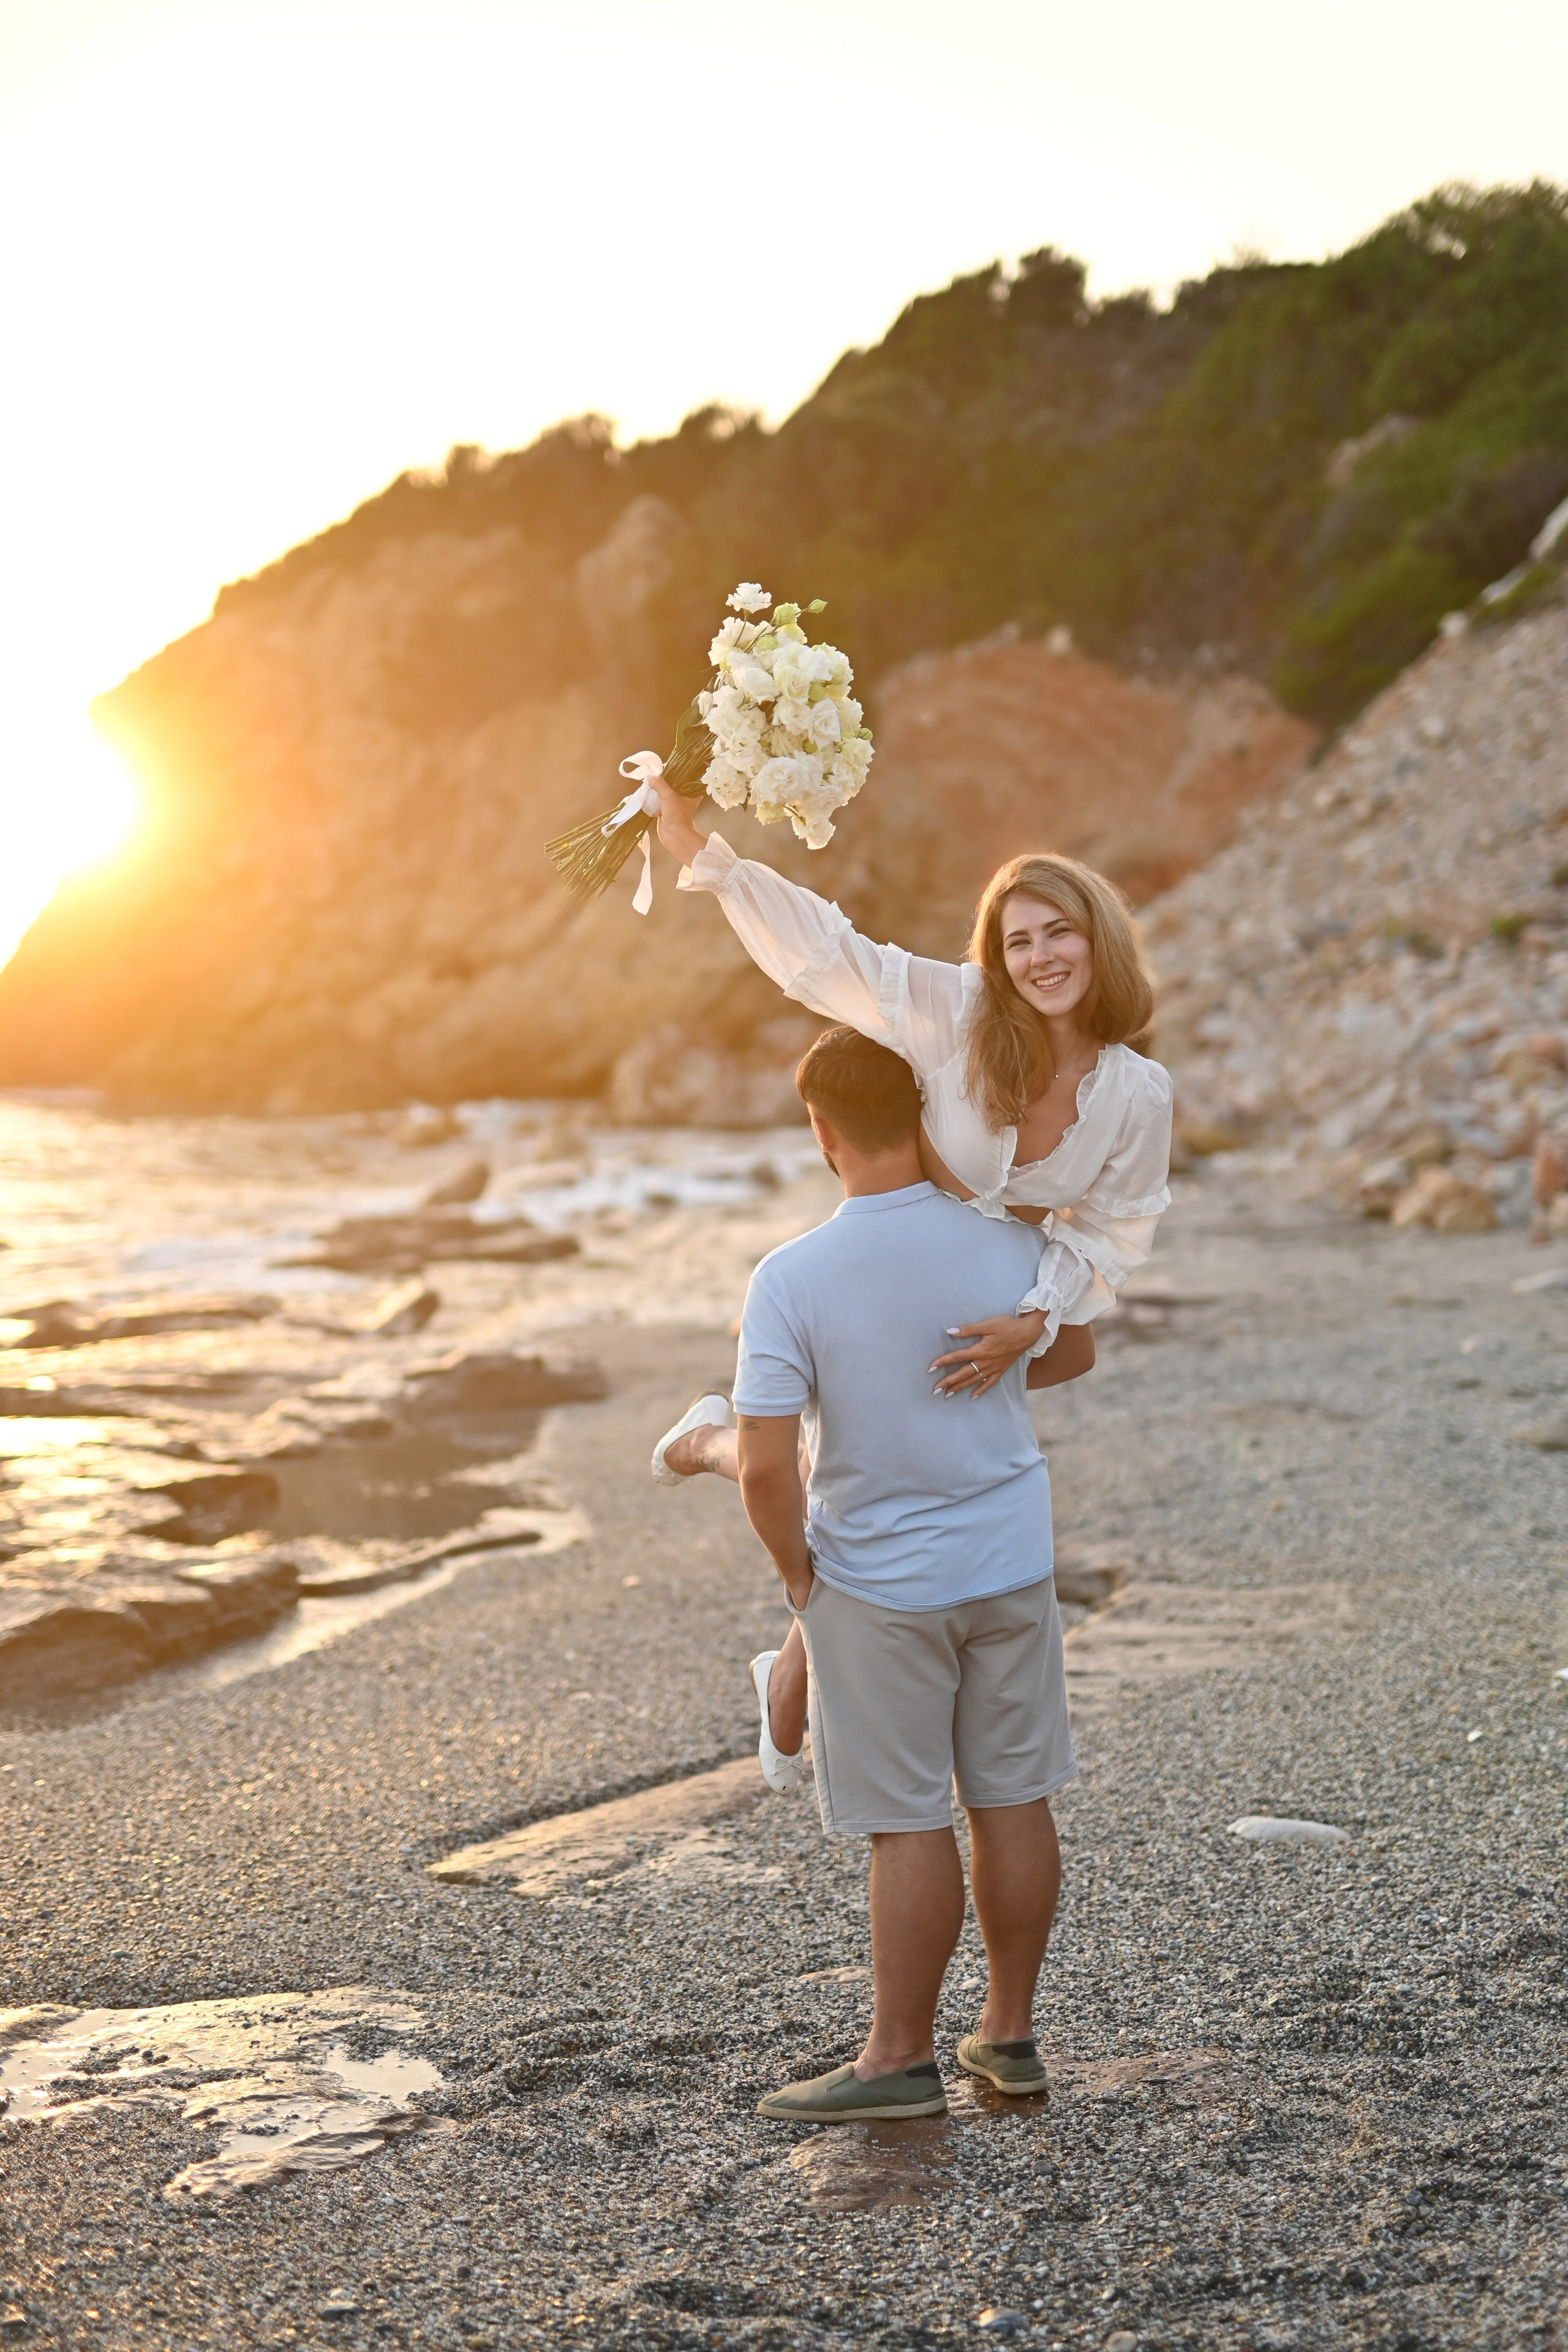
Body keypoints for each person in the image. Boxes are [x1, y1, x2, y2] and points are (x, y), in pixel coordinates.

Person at [648, 782, 1171, 1790]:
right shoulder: (959, 1011)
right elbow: (827, 957)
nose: (1040, 959)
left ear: (1099, 940)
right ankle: (718, 1450)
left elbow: (1118, 1228)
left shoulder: (1139, 1091)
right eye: (1018, 942)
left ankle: (775, 1621)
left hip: (1003, 1290)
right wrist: (703, 853)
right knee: (873, 1454)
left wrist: (1035, 1315)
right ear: (996, 958)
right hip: (897, 1255)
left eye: (1059, 934)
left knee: (961, 1418)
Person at [729, 1025, 1085, 2121]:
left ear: (822, 1132)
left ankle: (897, 2063)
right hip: (1012, 1560)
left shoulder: (792, 1275)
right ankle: (1010, 2036)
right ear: (924, 1116)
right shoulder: (1003, 1239)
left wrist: (800, 1583)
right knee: (1012, 1797)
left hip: (883, 1586)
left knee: (908, 1822)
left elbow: (759, 1464)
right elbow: (1070, 1351)